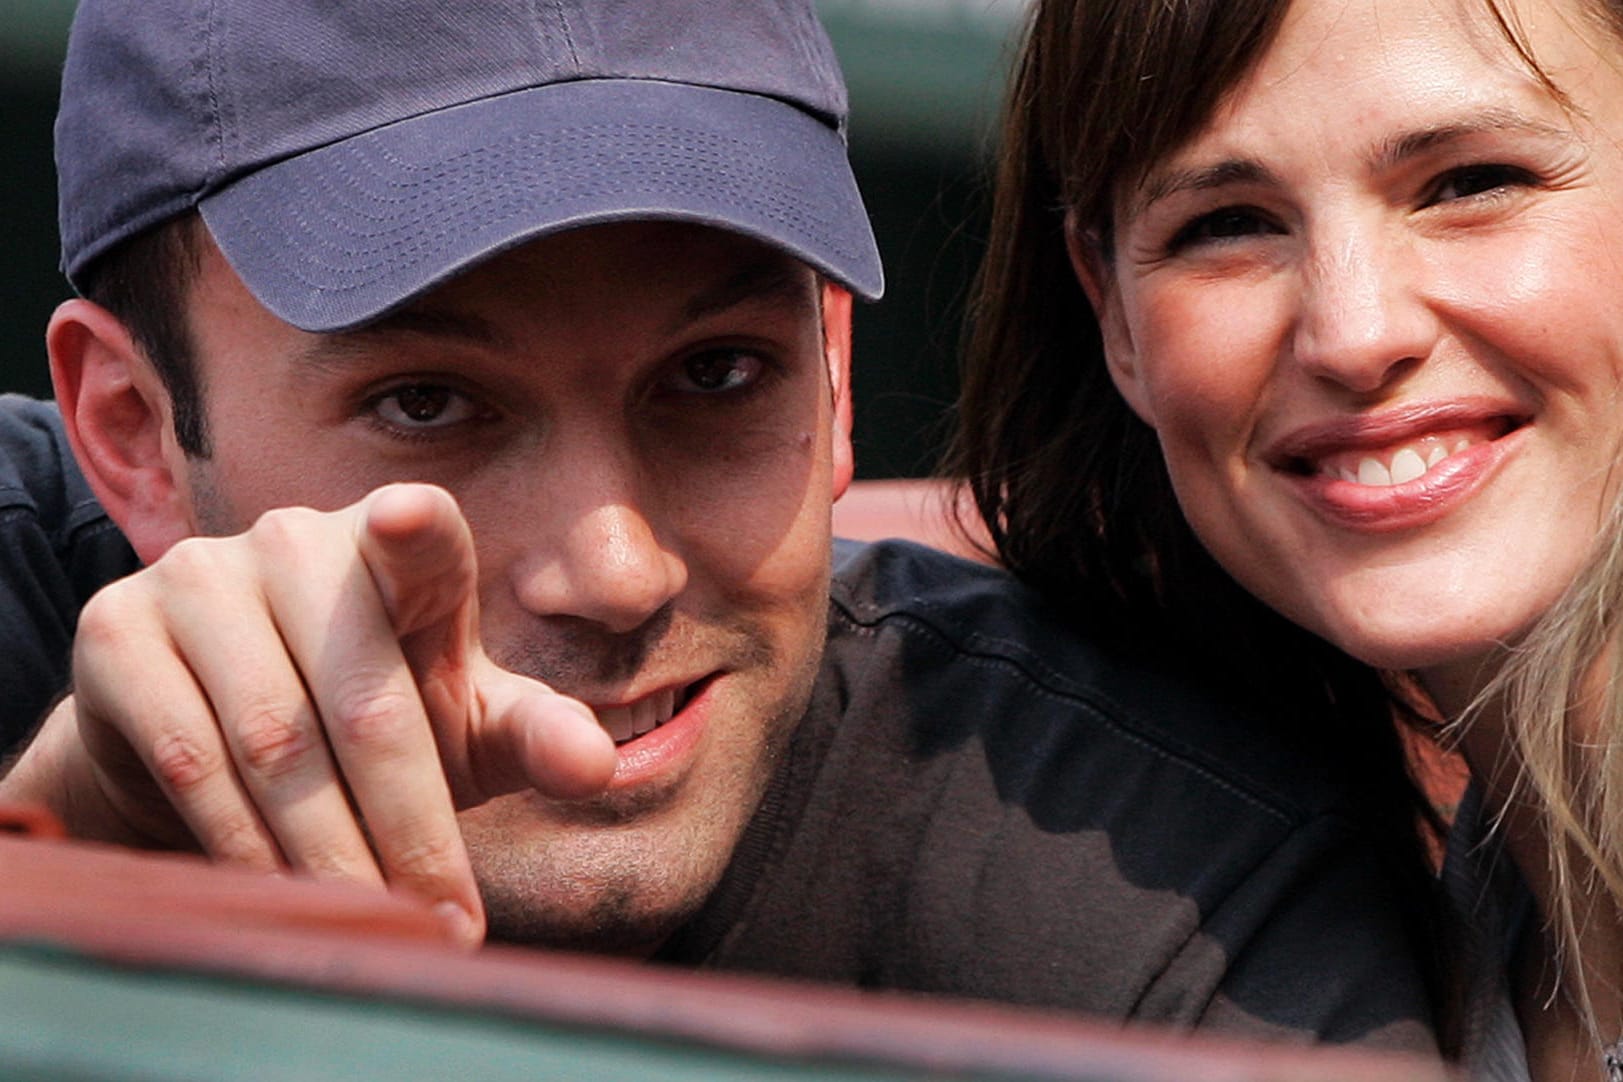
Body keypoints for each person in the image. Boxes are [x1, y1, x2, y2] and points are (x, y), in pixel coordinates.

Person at [0, 0, 1442, 1051]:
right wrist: (78, 847)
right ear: (130, 432)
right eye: (429, 402)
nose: (614, 569)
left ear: (830, 376)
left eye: (715, 376)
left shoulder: (1160, 889)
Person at [946, 0, 1623, 1077]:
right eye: (1227, 224)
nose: (1354, 334)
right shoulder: (1465, 917)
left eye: (1471, 184)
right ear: (1111, 308)